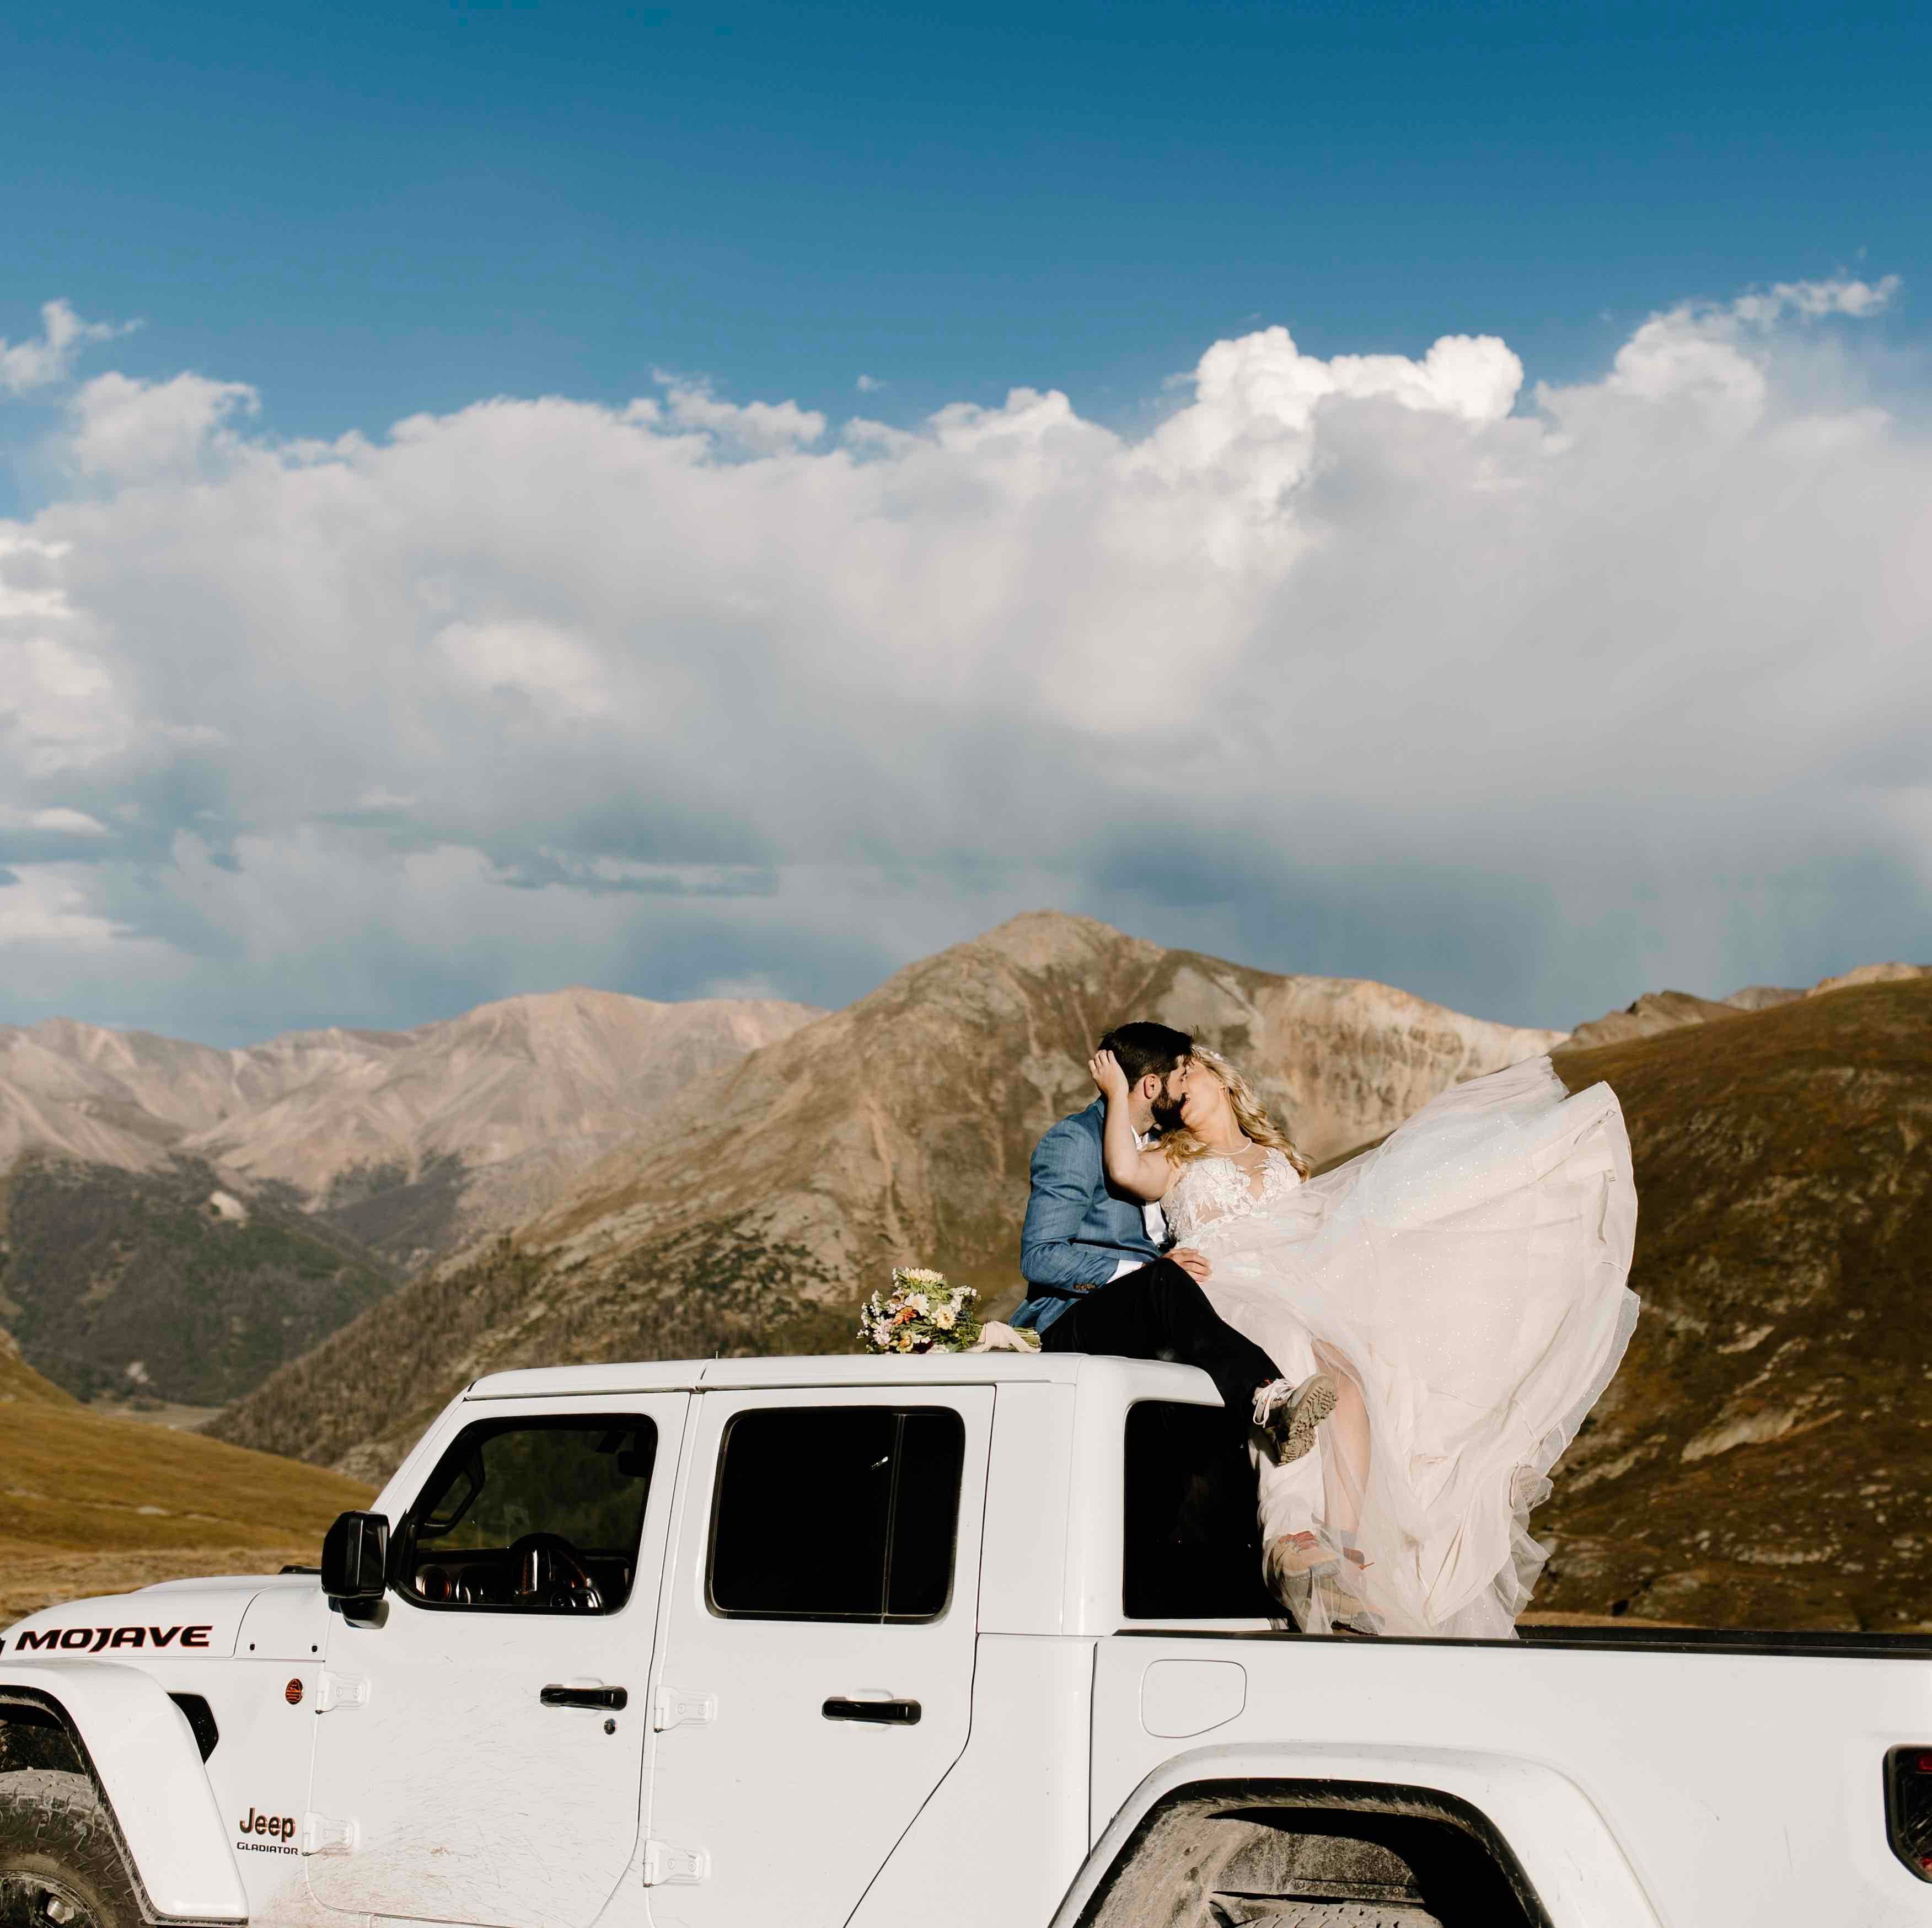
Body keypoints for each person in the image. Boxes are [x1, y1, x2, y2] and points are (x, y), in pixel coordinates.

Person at [1090, 1041, 1639, 1640]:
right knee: (1292, 1356)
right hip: (1225, 1289)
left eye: (1186, 1074)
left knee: (1349, 1381)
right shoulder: (1174, 1156)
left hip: (1290, 1283)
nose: (1177, 1090)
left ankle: (1340, 1545)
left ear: (1220, 1078)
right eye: (1169, 1091)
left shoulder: (1278, 1158)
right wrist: (1119, 1094)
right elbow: (1123, 1168)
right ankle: (1291, 1533)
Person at [1012, 1022, 1337, 1469]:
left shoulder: (1167, 1151)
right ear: (1151, 1086)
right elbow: (1041, 1257)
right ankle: (1264, 1393)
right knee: (1164, 1279)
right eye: (1182, 1075)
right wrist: (1142, 1274)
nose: (1185, 1087)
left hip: (1156, 1316)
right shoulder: (1076, 1140)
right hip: (1073, 1320)